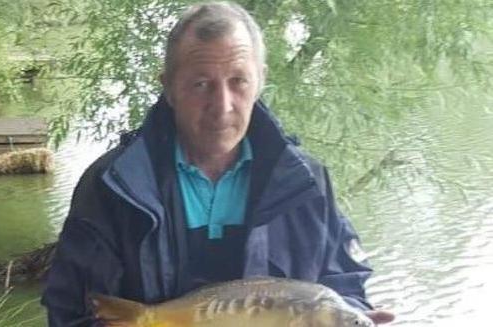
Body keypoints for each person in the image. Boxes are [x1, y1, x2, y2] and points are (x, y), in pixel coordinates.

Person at [41, 2, 395, 326]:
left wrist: (351, 315)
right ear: (168, 88)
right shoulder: (112, 186)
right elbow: (72, 310)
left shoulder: (307, 181)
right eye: (200, 84)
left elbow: (344, 283)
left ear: (260, 81)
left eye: (238, 82)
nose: (222, 104)